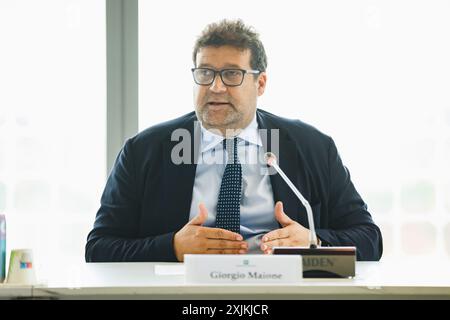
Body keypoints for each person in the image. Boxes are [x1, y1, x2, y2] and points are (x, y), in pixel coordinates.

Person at [85, 19, 382, 262]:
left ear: (260, 83)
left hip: (283, 292)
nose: (215, 87)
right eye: (205, 73)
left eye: (231, 74)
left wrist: (314, 241)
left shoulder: (313, 147)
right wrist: (172, 247)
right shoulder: (143, 151)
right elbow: (98, 247)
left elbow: (370, 239)